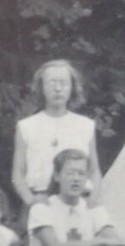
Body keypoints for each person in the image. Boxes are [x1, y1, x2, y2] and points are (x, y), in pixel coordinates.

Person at [12, 59, 101, 210]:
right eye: (51, 83)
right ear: (41, 88)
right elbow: (17, 174)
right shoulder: (26, 126)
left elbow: (94, 171)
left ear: (72, 87)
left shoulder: (85, 125)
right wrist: (31, 202)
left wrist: (91, 201)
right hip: (39, 201)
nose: (58, 89)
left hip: (77, 202)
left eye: (63, 83)